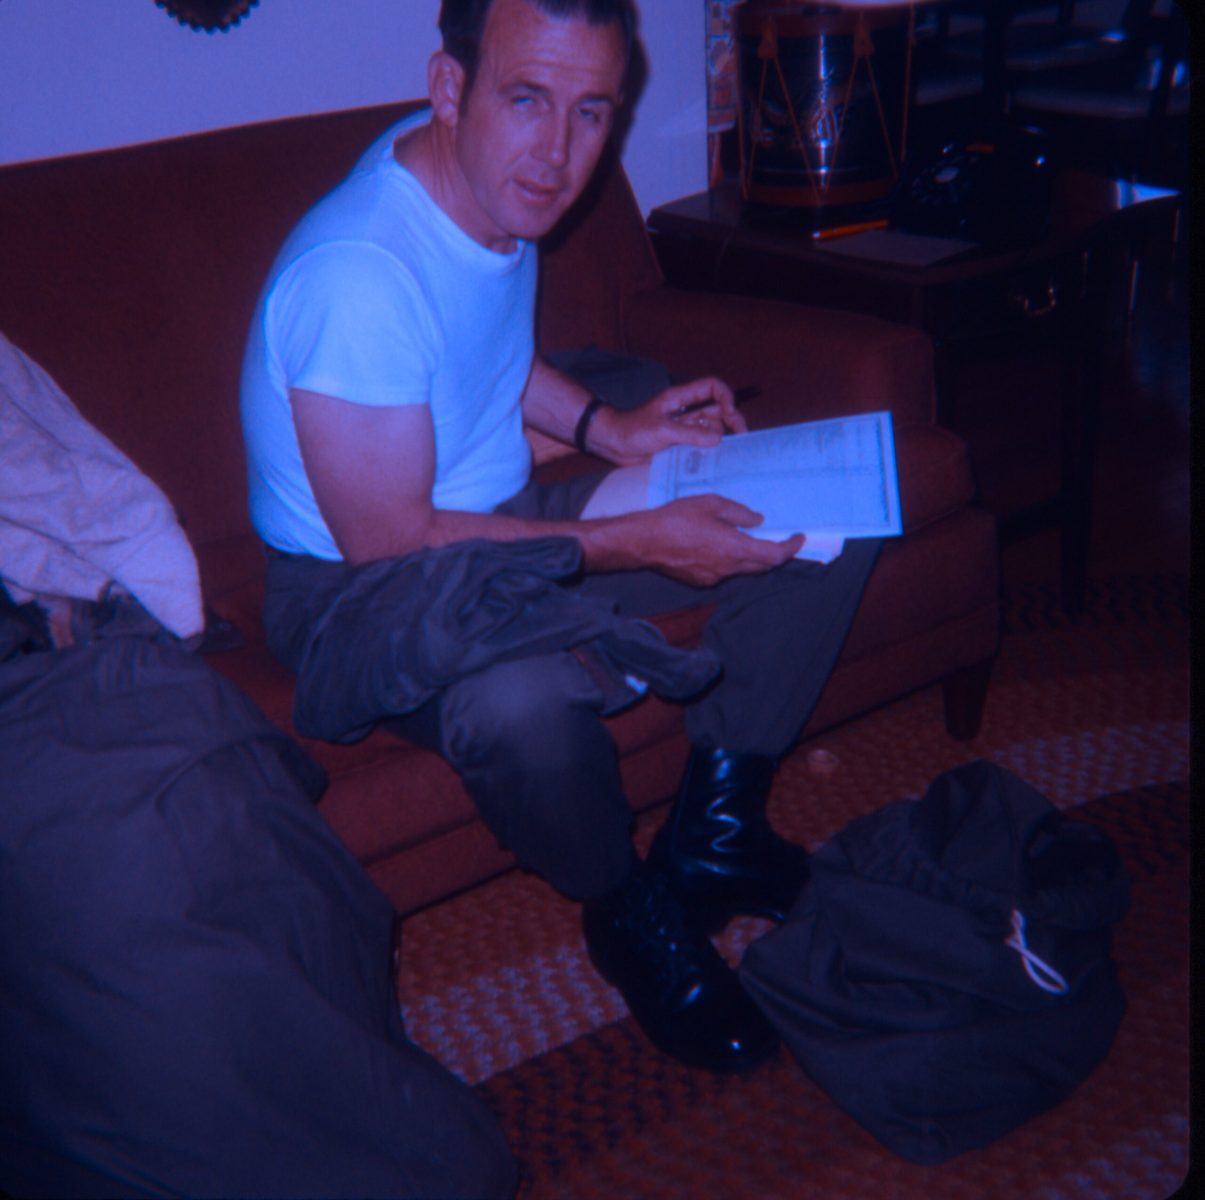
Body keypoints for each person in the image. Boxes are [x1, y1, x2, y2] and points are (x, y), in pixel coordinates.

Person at [240, 0, 879, 1074]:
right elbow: (392, 541)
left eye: (591, 112)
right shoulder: (355, 276)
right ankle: (624, 906)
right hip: (361, 587)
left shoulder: (478, 184)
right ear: (450, 89)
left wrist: (608, 428)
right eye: (527, 100)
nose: (557, 155)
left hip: (486, 515)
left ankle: (716, 836)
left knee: (826, 509)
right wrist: (641, 539)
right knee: (523, 707)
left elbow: (483, 353)